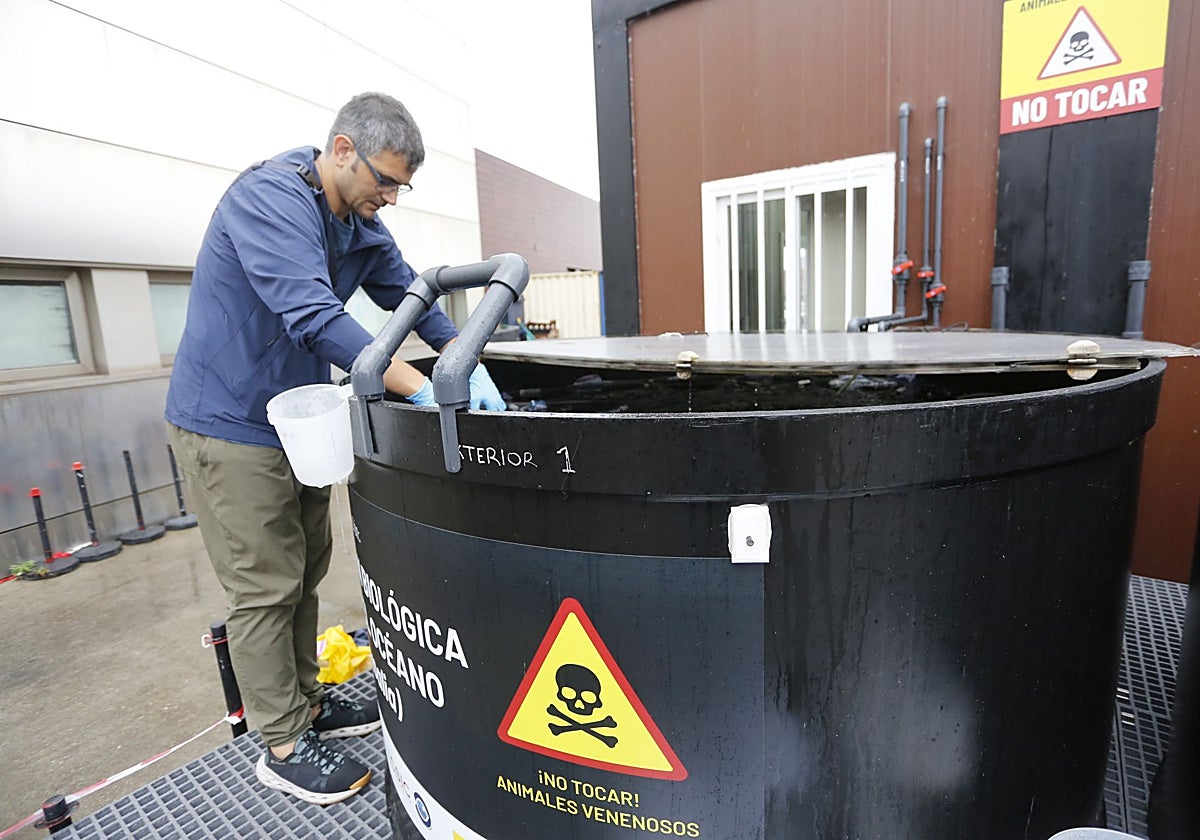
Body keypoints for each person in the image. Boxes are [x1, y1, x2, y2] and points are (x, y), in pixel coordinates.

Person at [165, 92, 505, 805]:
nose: (391, 198)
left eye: (401, 187)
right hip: (229, 423)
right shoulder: (269, 199)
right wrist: (422, 387)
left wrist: (470, 362)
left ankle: (308, 702)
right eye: (386, 180)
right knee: (264, 583)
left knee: (306, 566)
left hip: (298, 418)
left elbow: (411, 298)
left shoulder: (358, 223)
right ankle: (283, 742)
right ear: (343, 150)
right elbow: (315, 317)